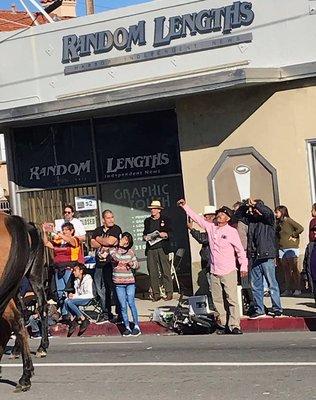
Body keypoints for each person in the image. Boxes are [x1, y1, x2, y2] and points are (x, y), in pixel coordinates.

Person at [178, 199, 248, 335]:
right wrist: (185, 206)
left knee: (232, 299)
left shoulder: (231, 231)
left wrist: (244, 266)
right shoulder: (211, 228)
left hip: (228, 270)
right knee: (217, 300)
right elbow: (197, 219)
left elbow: (240, 250)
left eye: (222, 214)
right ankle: (222, 324)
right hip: (214, 270)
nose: (219, 216)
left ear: (227, 218)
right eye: (219, 214)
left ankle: (234, 325)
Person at [235, 199, 282, 319]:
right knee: (256, 286)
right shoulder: (251, 221)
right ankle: (259, 309)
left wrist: (256, 205)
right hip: (254, 256)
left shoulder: (269, 220)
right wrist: (245, 205)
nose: (254, 211)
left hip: (267, 256)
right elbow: (238, 216)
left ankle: (277, 309)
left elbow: (267, 212)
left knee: (272, 284)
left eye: (256, 209)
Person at [43, 221, 82, 323]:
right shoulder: (59, 241)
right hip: (59, 269)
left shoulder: (75, 239)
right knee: (60, 293)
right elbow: (46, 243)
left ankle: (75, 314)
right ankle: (65, 315)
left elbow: (71, 241)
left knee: (70, 291)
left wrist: (56, 231)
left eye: (66, 230)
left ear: (72, 231)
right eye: (63, 230)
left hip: (69, 268)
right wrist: (44, 231)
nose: (64, 232)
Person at [91, 209, 122, 323]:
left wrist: (99, 239)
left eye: (112, 217)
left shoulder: (116, 229)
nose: (111, 219)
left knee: (115, 289)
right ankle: (106, 313)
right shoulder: (97, 230)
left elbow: (111, 241)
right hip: (100, 264)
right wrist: (102, 241)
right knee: (102, 290)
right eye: (108, 218)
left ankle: (120, 313)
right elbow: (92, 243)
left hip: (112, 264)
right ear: (103, 219)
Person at [107, 232, 141, 337]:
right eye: (122, 238)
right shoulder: (113, 250)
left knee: (131, 303)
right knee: (122, 305)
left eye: (125, 239)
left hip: (129, 281)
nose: (122, 240)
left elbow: (137, 265)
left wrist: (132, 264)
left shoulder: (130, 252)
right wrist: (117, 245)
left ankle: (136, 326)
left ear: (127, 242)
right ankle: (126, 327)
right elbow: (116, 257)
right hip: (118, 282)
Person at [143, 200, 173, 302]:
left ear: (159, 210)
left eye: (154, 209)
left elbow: (171, 233)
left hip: (162, 247)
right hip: (151, 248)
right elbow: (144, 233)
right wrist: (145, 237)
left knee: (165, 271)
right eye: (151, 209)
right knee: (153, 271)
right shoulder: (147, 221)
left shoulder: (166, 219)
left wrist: (164, 234)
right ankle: (156, 293)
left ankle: (169, 292)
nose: (152, 210)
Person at [187, 205, 216, 308]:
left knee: (213, 286)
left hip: (211, 262)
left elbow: (203, 239)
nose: (204, 219)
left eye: (206, 217)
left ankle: (215, 305)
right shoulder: (210, 229)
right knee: (210, 285)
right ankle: (214, 304)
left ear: (212, 217)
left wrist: (192, 229)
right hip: (207, 261)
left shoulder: (214, 228)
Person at [275, 205, 304, 296]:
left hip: (291, 247)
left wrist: (293, 235)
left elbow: (300, 228)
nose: (275, 214)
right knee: (286, 270)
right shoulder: (279, 223)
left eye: (277, 212)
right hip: (282, 248)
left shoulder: (288, 220)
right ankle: (288, 289)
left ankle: (298, 288)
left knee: (294, 269)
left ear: (282, 212)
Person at [66, 264, 94, 337]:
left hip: (88, 298)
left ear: (81, 271)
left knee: (70, 302)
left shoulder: (88, 278)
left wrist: (75, 297)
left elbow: (89, 293)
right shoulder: (76, 280)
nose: (73, 272)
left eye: (75, 270)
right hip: (81, 298)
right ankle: (73, 320)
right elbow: (77, 293)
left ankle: (83, 319)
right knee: (66, 301)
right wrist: (73, 295)